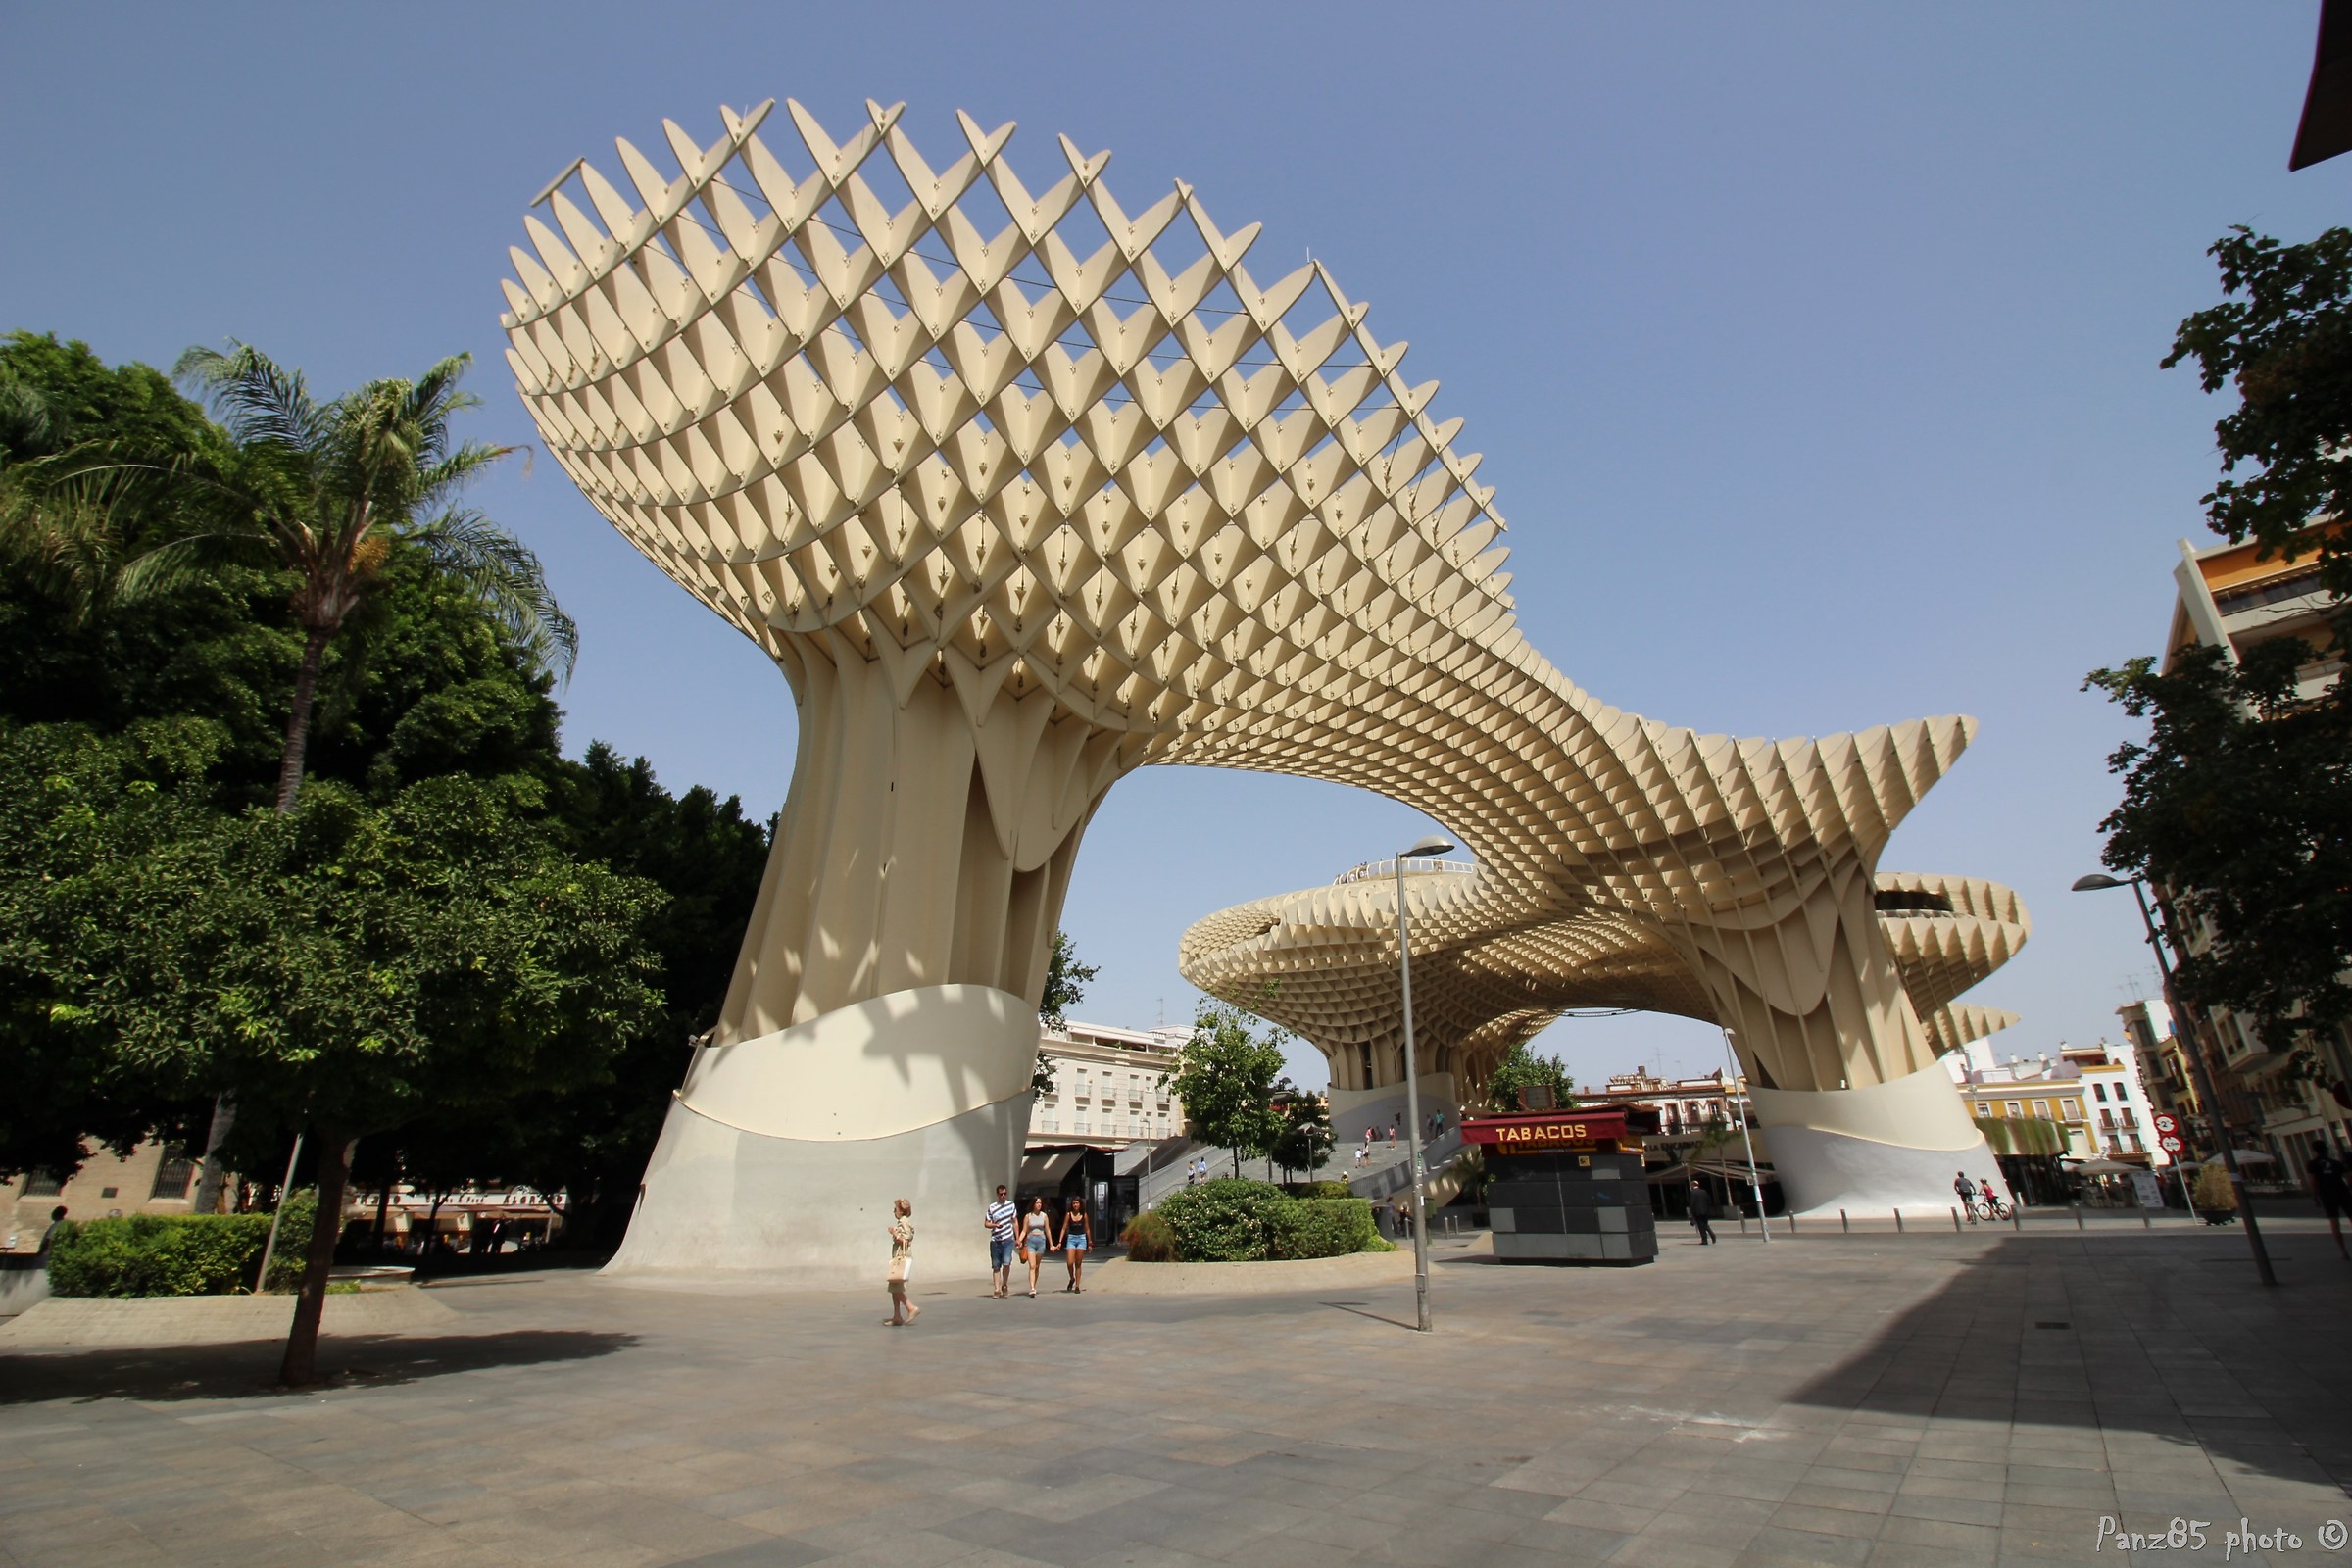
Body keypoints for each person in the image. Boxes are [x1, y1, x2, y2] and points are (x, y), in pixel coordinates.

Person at [2310, 1146, 2352, 1260]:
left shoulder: (2313, 1164)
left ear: (2313, 1151)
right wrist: (2347, 1188)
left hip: (2327, 1196)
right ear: (2326, 1150)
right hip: (2343, 1193)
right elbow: (2349, 1177)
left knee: (2334, 1223)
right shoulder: (2336, 1163)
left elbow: (2313, 1182)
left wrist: (2315, 1197)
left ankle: (2344, 1252)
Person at [884, 1198, 919, 1326]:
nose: (894, 1211)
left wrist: (894, 1233)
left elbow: (906, 1239)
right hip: (899, 1254)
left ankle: (911, 1308)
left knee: (896, 1287)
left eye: (896, 1209)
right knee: (895, 1285)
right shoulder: (903, 1221)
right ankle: (897, 1315)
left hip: (901, 1255)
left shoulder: (903, 1222)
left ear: (901, 1211)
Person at [984, 1184, 1018, 1298]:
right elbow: (986, 1223)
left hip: (1008, 1239)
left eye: (1005, 1193)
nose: (1003, 1196)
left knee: (1007, 1262)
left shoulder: (1011, 1205)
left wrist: (1018, 1238)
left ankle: (1004, 1285)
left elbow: (1015, 1222)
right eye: (1001, 1194)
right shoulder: (992, 1207)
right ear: (997, 1194)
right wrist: (994, 1225)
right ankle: (996, 1289)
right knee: (996, 1265)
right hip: (995, 1240)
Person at [1019, 1197, 1054, 1296]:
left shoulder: (1044, 1216)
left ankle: (1034, 1284)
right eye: (1037, 1203)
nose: (1039, 1205)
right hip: (1031, 1242)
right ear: (1033, 1204)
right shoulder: (1028, 1216)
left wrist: (1051, 1244)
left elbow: (1047, 1230)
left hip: (1041, 1241)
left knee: (1037, 1266)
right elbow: (1024, 1230)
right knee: (1032, 1266)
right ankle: (1032, 1288)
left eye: (1040, 1203)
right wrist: (1019, 1240)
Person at [1059, 1196, 1091, 1293]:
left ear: (1080, 1204)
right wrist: (1060, 1241)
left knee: (1078, 1263)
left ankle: (1077, 1286)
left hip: (1081, 1238)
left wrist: (1090, 1242)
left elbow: (1087, 1229)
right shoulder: (1069, 1215)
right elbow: (1064, 1228)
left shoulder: (1084, 1215)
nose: (1075, 1205)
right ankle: (1072, 1278)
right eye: (1074, 1203)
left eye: (1077, 1203)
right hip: (1071, 1238)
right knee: (1069, 1263)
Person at [1687, 1181, 1717, 1245]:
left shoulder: (1693, 1192)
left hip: (1697, 1212)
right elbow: (1709, 1200)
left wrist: (1691, 1212)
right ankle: (1712, 1235)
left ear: (1692, 1185)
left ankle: (1705, 1239)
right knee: (1705, 1224)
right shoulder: (1704, 1191)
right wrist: (1707, 1209)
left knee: (1701, 1226)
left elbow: (1692, 1203)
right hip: (1705, 1211)